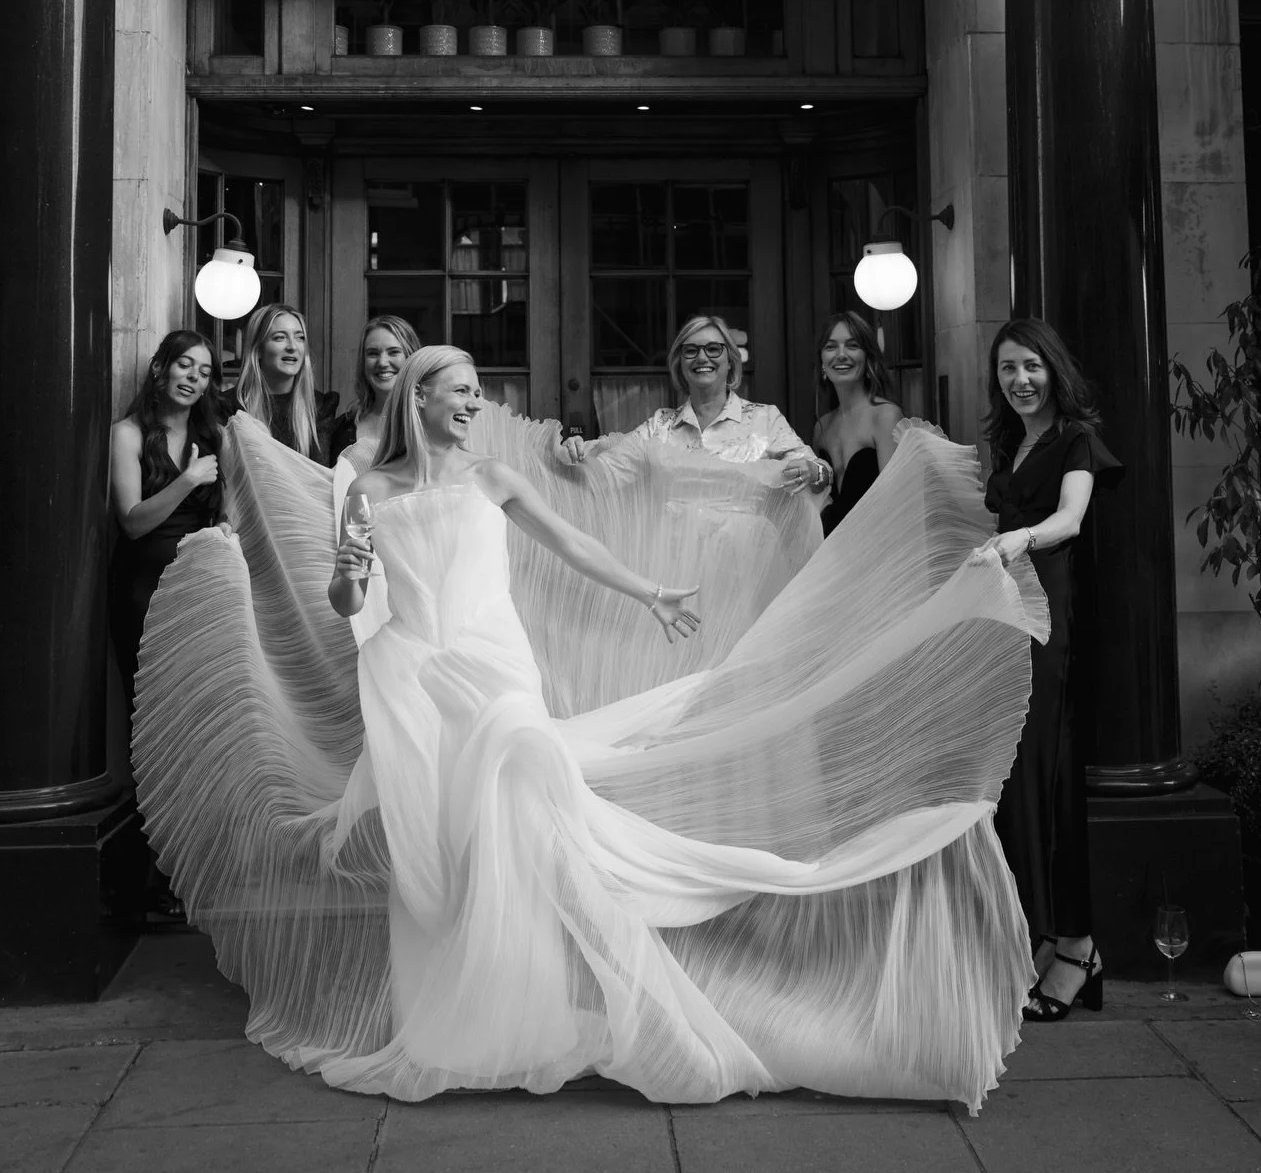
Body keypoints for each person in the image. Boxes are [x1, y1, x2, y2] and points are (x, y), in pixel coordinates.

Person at [132, 345, 1048, 1110]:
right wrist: (348, 575)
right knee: (447, 848)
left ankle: (645, 997)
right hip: (411, 676)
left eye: (480, 396)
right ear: (420, 399)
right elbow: (351, 597)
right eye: (462, 395)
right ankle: (471, 1014)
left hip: (495, 670)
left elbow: (573, 544)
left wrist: (650, 592)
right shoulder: (365, 487)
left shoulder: (491, 476)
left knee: (530, 775)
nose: (476, 408)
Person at [980, 316, 1123, 1022]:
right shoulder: (1012, 445)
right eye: (1007, 369)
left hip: (1052, 623)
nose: (1020, 380)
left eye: (1031, 366)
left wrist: (1019, 540)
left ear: (1053, 369)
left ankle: (1076, 949)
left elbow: (1069, 521)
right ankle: (1051, 938)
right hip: (1011, 618)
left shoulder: (1074, 439)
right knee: (1021, 783)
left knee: (1050, 778)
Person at [109, 328, 224, 920]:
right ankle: (151, 882)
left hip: (198, 594)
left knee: (196, 728)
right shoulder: (126, 435)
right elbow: (131, 522)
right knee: (151, 730)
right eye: (184, 365)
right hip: (142, 595)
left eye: (203, 372)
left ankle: (191, 869)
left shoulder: (213, 437)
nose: (192, 378)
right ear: (160, 368)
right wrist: (185, 480)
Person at [561, 314, 831, 491]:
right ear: (680, 364)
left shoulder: (765, 419)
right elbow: (612, 464)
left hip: (747, 561)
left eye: (713, 349)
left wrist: (813, 472)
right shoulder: (661, 425)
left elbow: (821, 471)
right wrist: (577, 451)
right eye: (691, 350)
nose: (702, 358)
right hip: (674, 560)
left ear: (731, 362)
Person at [812, 311, 904, 535]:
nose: (841, 355)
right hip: (830, 554)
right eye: (831, 347)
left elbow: (898, 504)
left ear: (868, 357)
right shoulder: (822, 427)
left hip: (877, 551)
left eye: (852, 345)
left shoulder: (885, 416)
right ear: (822, 361)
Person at [234, 304, 340, 464]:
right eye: (279, 337)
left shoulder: (320, 407)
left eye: (300, 337)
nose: (292, 346)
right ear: (258, 349)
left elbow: (320, 477)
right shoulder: (230, 406)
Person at [329, 314, 421, 470]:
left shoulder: (430, 422)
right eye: (373, 353)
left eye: (393, 352)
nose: (382, 362)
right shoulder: (341, 427)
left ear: (411, 357)